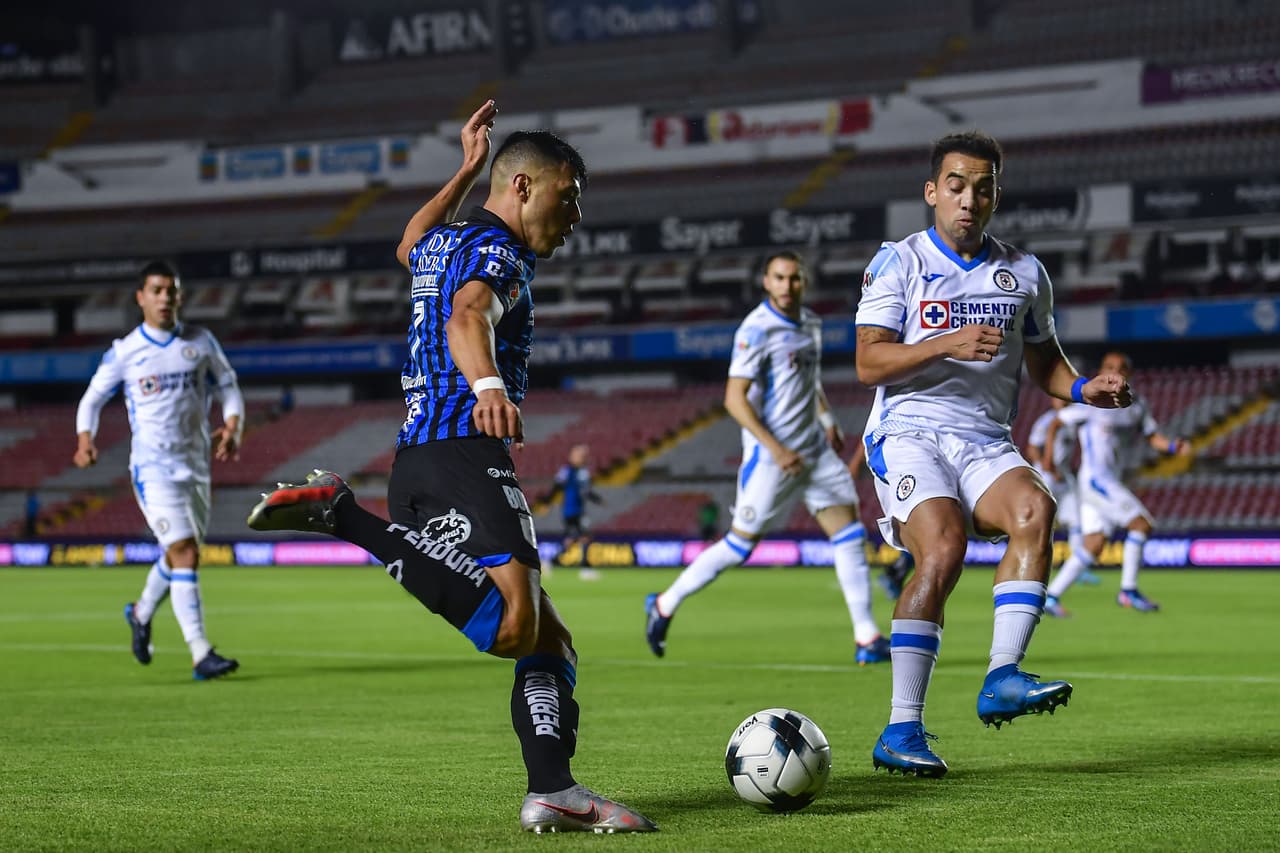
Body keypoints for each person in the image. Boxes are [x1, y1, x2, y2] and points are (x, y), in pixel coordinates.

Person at [247, 101, 656, 834]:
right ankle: (343, 514)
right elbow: (468, 314)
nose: (576, 216)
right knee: (514, 623)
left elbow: (409, 244)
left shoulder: (448, 238)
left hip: (420, 459)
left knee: (548, 639)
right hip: (463, 450)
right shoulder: (498, 252)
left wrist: (464, 168)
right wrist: (490, 386)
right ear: (525, 187)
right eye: (569, 197)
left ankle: (554, 790)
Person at [854, 131, 1132, 777]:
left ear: (996, 195)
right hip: (910, 432)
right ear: (932, 192)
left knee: (1036, 507)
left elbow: (1045, 364)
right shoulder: (899, 261)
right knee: (944, 547)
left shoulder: (1025, 273)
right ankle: (901, 728)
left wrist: (1088, 388)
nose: (968, 199)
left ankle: (1002, 675)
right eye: (955, 185)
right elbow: (869, 361)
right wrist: (944, 340)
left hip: (984, 438)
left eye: (983, 187)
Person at [645, 251, 889, 665]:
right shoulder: (756, 330)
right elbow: (734, 399)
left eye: (794, 278)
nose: (787, 285)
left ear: (804, 281)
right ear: (766, 282)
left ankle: (866, 638)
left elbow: (808, 383)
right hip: (772, 458)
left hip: (813, 451)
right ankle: (665, 603)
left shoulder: (811, 323)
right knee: (740, 544)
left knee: (848, 534)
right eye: (779, 278)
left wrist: (827, 418)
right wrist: (776, 448)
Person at [74, 260, 243, 681]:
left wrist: (234, 424)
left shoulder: (200, 341)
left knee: (180, 554)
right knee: (185, 551)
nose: (165, 297)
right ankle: (201, 653)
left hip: (196, 466)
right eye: (156, 290)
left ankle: (141, 611)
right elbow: (92, 400)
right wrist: (84, 439)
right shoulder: (126, 351)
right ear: (141, 298)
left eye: (171, 290)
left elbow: (228, 384)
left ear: (180, 296)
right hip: (153, 468)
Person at [1044, 351, 1190, 614]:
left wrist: (1171, 445)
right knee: (1141, 525)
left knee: (1094, 544)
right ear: (1101, 370)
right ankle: (1128, 590)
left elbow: (1152, 436)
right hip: (1096, 480)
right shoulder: (1093, 402)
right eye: (1109, 366)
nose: (1115, 371)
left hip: (1109, 481)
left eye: (1121, 367)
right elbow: (1056, 423)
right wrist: (1049, 462)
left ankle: (1051, 597)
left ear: (1130, 374)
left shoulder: (1136, 405)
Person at [1024, 396, 1100, 611]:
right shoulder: (1046, 421)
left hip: (1064, 475)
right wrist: (1044, 464)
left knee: (1076, 521)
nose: (1061, 402)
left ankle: (1079, 569)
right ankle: (1027, 561)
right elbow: (1032, 446)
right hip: (1047, 475)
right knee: (1040, 523)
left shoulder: (1072, 420)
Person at [547, 443, 601, 567]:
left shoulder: (583, 472)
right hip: (570, 511)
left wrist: (597, 499)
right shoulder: (567, 470)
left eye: (584, 455)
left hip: (579, 510)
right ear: (572, 456)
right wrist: (547, 501)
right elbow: (557, 486)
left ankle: (553, 561)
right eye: (580, 455)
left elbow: (586, 491)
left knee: (575, 539)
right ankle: (585, 566)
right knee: (582, 537)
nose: (583, 458)